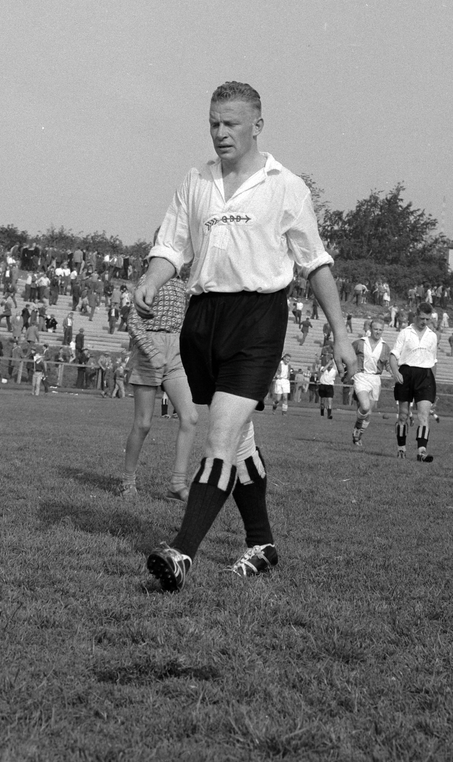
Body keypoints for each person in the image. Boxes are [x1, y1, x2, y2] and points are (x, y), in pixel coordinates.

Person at [136, 82, 353, 591]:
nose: (220, 133)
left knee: (219, 437)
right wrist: (151, 278)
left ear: (257, 125)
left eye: (231, 123)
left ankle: (182, 552)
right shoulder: (196, 181)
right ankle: (262, 543)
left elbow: (315, 264)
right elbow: (171, 244)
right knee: (238, 442)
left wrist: (341, 333)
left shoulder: (285, 186)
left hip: (258, 318)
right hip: (203, 319)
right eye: (213, 122)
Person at [121, 274, 197, 501]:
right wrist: (151, 352)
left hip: (176, 351)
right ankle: (127, 482)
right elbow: (133, 322)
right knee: (143, 424)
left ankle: (177, 484)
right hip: (149, 351)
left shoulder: (183, 285)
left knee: (190, 417)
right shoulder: (148, 280)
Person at [392, 303, 439, 462]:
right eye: (422, 318)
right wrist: (396, 372)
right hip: (406, 374)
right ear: (416, 316)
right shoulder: (405, 333)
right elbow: (394, 356)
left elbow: (433, 362)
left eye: (428, 319)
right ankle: (401, 448)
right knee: (403, 415)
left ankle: (422, 451)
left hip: (425, 376)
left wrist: (434, 386)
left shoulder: (432, 336)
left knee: (424, 415)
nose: (424, 322)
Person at [348, 317, 391, 447]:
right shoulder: (360, 342)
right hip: (361, 376)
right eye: (375, 329)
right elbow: (348, 354)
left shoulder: (385, 347)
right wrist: (347, 369)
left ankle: (358, 436)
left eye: (380, 330)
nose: (378, 332)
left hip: (375, 379)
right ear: (370, 329)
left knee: (368, 413)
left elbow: (387, 364)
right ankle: (357, 427)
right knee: (365, 406)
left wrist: (394, 372)